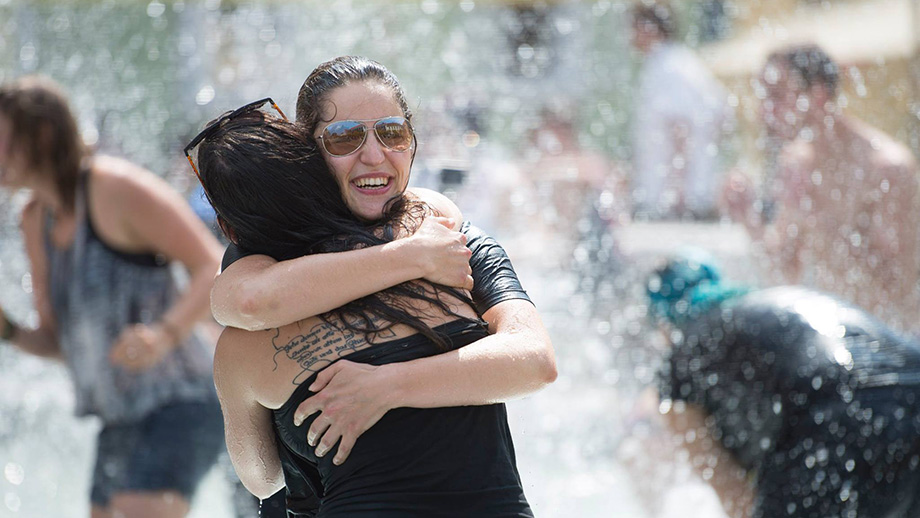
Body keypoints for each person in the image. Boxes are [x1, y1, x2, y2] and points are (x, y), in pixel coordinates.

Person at [208, 56, 556, 470]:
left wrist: (389, 386)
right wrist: (411, 257)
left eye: (392, 133)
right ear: (307, 152)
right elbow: (246, 300)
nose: (374, 155)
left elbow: (535, 360)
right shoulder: (277, 248)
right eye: (344, 138)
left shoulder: (440, 223)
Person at [0, 76, 225, 518]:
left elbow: (212, 264)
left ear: (41, 135)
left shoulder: (113, 188)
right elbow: (58, 343)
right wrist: (8, 329)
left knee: (135, 509)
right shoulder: (34, 221)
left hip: (184, 401)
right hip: (119, 419)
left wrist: (162, 335)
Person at [642, 249, 920, 517]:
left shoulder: (683, 356)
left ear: (663, 324)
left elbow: (736, 498)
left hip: (840, 420)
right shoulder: (779, 301)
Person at [725, 44, 920, 335]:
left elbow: (897, 289)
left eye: (777, 95)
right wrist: (749, 218)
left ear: (817, 95)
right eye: (763, 95)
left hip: (893, 345)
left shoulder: (888, 170)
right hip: (837, 337)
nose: (764, 111)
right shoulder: (795, 162)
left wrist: (820, 220)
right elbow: (784, 270)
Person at [630, 1, 731, 220]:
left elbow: (680, 128)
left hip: (678, 203)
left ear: (649, 28)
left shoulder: (668, 66)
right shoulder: (677, 61)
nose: (629, 35)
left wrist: (677, 191)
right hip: (684, 196)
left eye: (633, 27)